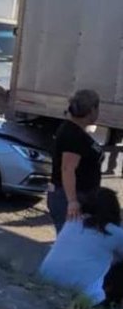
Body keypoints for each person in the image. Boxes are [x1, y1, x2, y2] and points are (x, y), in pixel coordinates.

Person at [40, 187, 123, 307]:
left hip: (46, 279)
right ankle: (111, 305)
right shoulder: (114, 233)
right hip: (81, 294)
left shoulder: (72, 221)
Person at [47, 89, 103, 233]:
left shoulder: (75, 130)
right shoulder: (72, 134)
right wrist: (72, 201)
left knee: (77, 242)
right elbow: (67, 169)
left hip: (80, 195)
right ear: (92, 110)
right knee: (70, 242)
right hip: (68, 196)